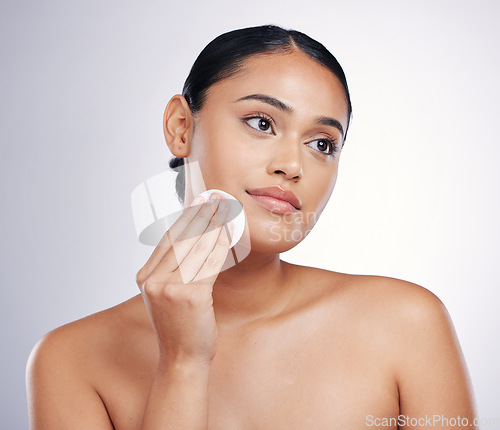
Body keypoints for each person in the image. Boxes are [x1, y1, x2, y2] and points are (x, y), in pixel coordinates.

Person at [26, 25, 477, 429]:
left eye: (322, 144)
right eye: (262, 123)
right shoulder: (69, 362)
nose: (291, 166)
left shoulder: (406, 324)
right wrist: (183, 363)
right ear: (181, 126)